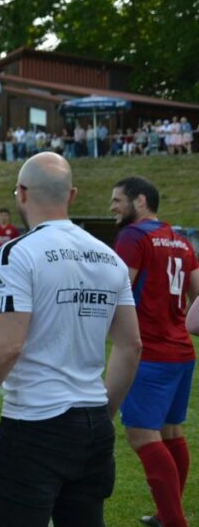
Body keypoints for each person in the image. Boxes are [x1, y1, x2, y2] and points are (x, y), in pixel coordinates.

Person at [0, 152, 142, 527]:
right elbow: (130, 345)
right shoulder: (110, 258)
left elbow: (9, 344)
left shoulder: (19, 252)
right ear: (71, 195)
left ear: (21, 193)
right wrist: (103, 411)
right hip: (92, 423)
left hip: (35, 424)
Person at [110, 176, 199, 527]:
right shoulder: (180, 239)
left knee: (141, 434)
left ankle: (174, 521)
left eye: (118, 200)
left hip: (149, 353)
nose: (113, 207)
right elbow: (197, 292)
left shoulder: (132, 236)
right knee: (171, 433)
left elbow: (118, 289)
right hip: (181, 352)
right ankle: (167, 514)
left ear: (141, 201)